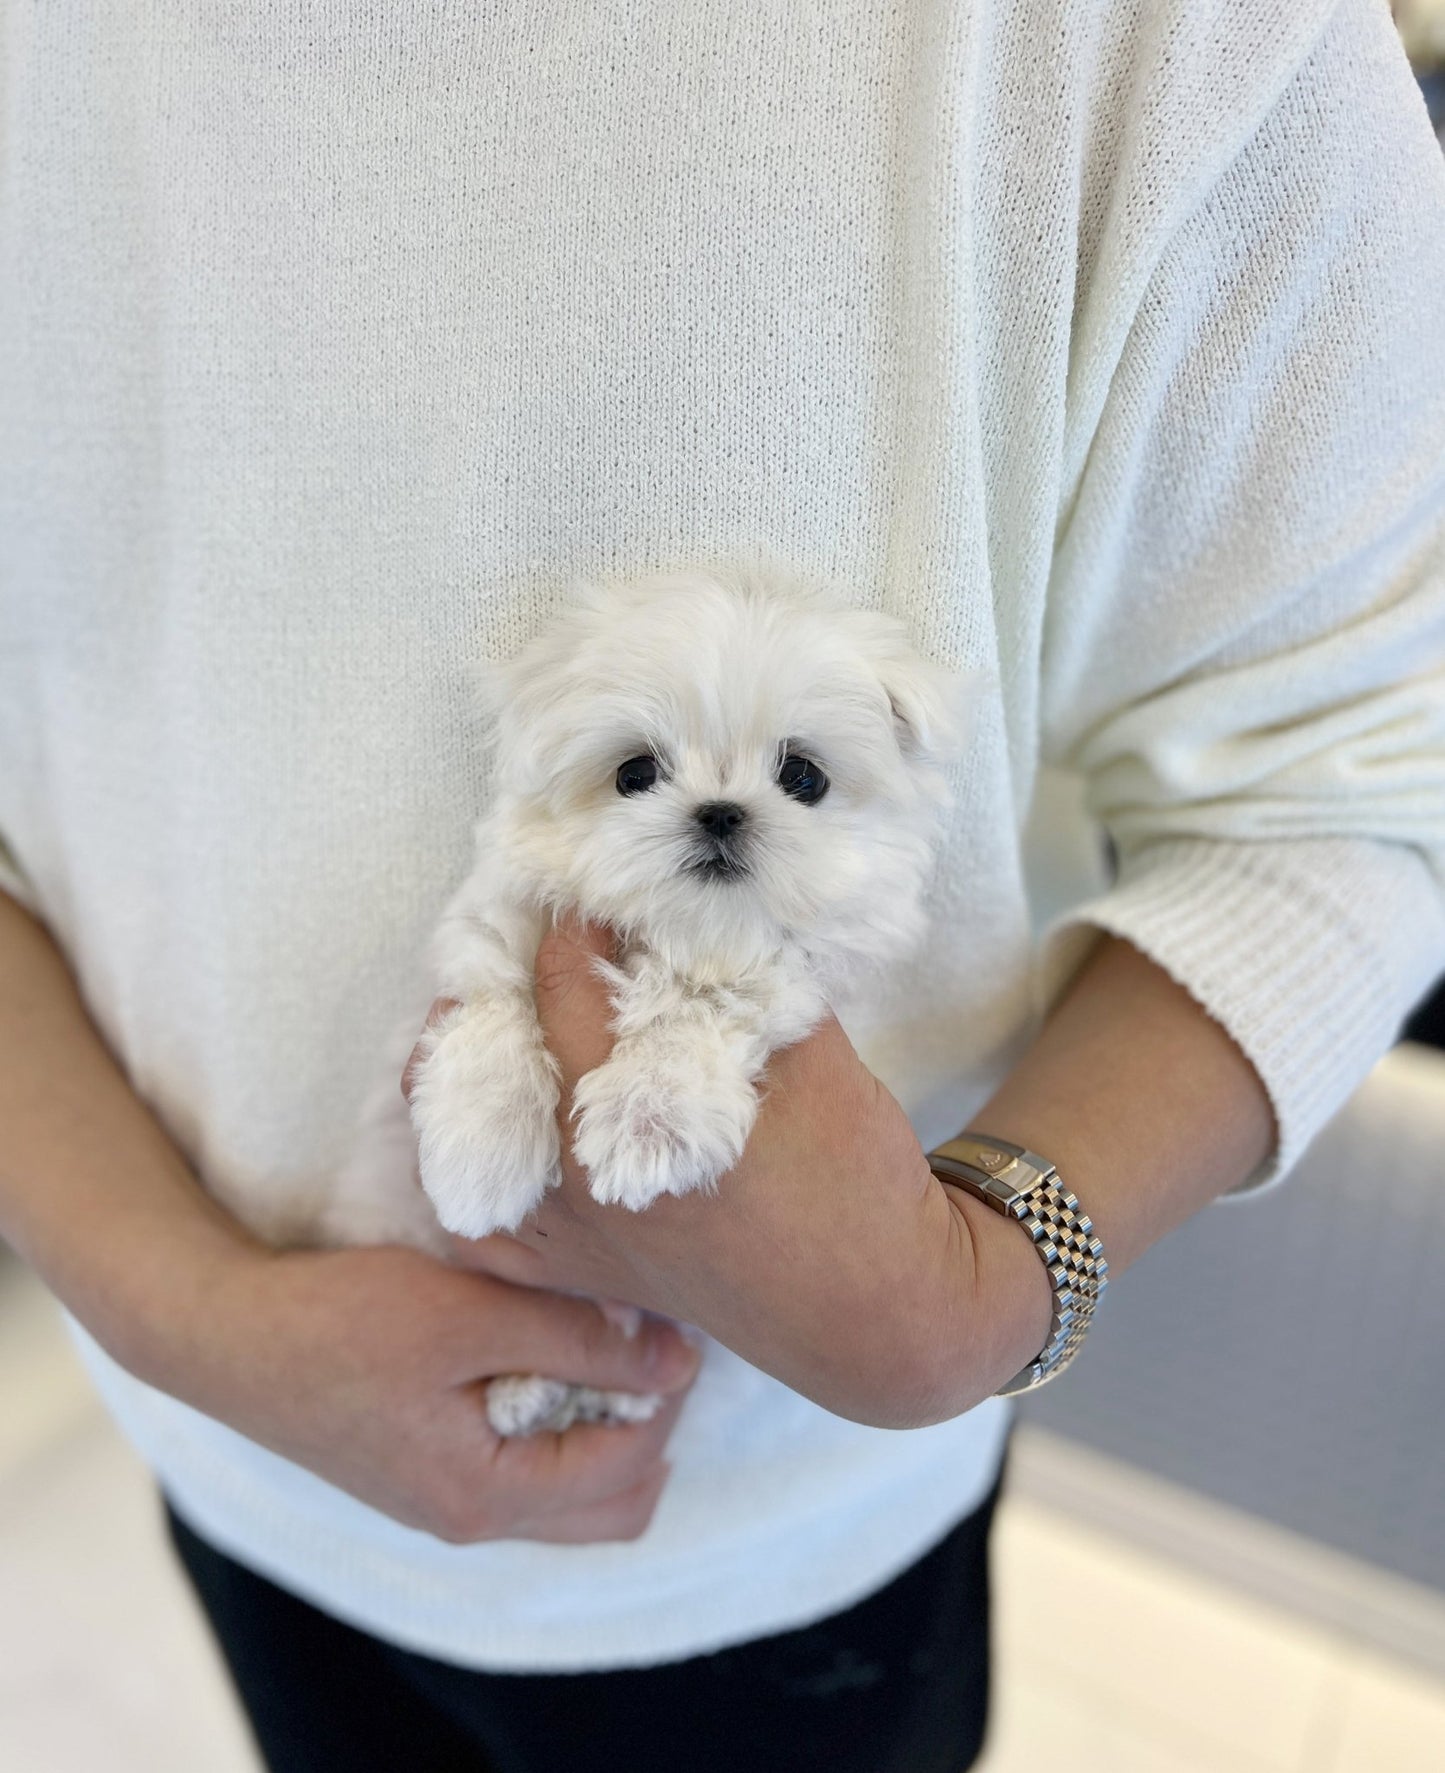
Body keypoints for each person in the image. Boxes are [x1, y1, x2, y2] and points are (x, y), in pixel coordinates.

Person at [2, 3, 1443, 1769]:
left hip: (790, 1560)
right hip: (224, 1452)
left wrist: (972, 1293)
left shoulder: (1153, 43)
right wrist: (177, 1309)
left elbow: (1365, 778)